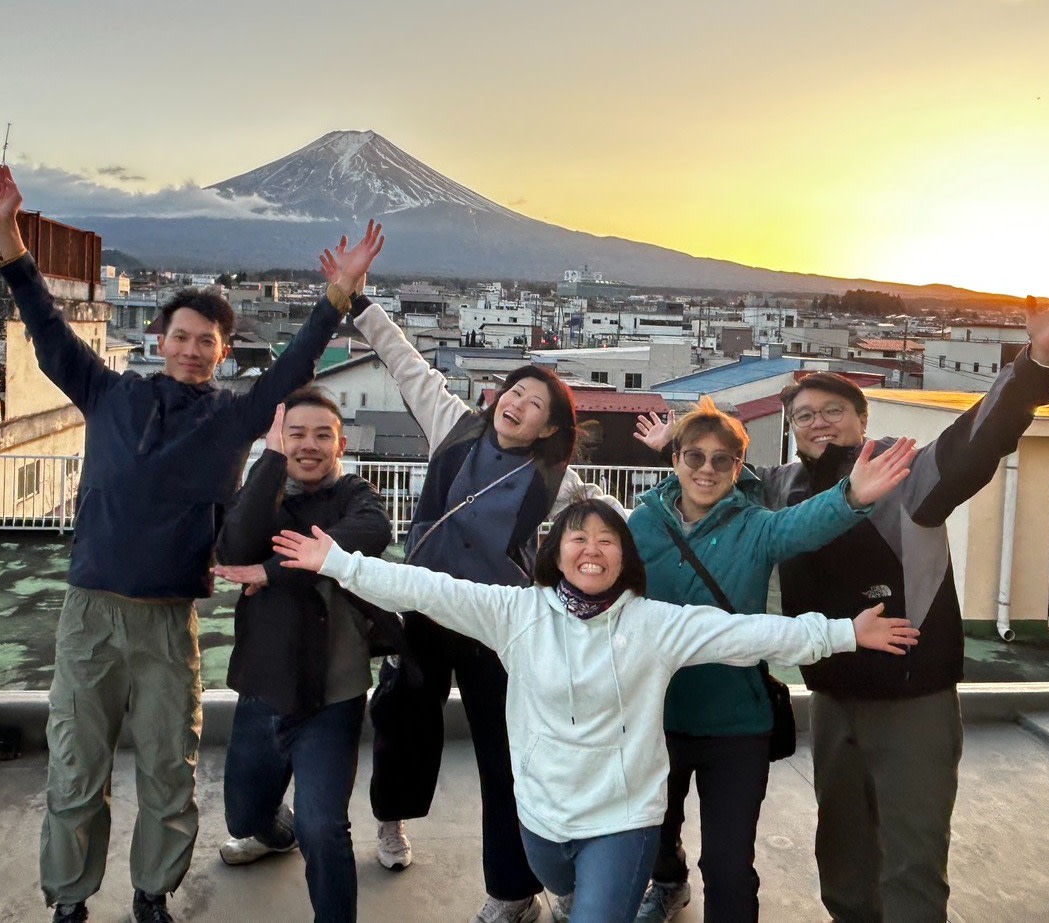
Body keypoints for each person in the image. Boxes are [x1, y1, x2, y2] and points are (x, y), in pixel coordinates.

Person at [0, 163, 386, 923]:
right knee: (76, 767)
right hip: (90, 613)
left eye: (209, 341)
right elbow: (42, 321)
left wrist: (339, 298)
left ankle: (150, 894)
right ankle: (69, 899)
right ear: (159, 340)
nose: (194, 349)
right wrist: (7, 230)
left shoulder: (232, 419)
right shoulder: (107, 392)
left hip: (171, 620)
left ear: (225, 354)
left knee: (170, 768)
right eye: (183, 337)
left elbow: (298, 364)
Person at [635, 275, 1049, 923]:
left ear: (861, 419)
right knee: (842, 848)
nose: (818, 422)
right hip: (833, 693)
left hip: (913, 696)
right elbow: (711, 483)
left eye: (833, 411)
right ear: (791, 429)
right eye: (804, 415)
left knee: (911, 853)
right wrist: (674, 454)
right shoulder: (780, 486)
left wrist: (1036, 360)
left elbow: (980, 437)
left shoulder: (903, 474)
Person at [267, 500, 921, 923]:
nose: (590, 547)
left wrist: (841, 631)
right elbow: (427, 588)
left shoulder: (654, 623)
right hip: (544, 815)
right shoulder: (515, 613)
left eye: (605, 538)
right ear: (556, 554)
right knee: (564, 889)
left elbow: (747, 633)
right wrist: (341, 563)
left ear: (622, 557)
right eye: (576, 536)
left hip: (622, 815)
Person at [321, 238, 579, 923]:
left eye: (533, 403)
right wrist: (361, 300)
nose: (516, 404)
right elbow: (406, 363)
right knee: (403, 716)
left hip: (498, 622)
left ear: (550, 427)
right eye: (514, 391)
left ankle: (512, 889)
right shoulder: (454, 427)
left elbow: (612, 525)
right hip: (425, 605)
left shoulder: (558, 481)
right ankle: (392, 817)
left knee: (504, 752)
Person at [625, 398, 915, 923]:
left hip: (735, 724)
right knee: (651, 837)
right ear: (675, 460)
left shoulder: (756, 526)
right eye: (694, 457)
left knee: (731, 864)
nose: (707, 470)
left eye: (722, 461)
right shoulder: (641, 524)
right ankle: (668, 883)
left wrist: (852, 496)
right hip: (653, 717)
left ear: (739, 469)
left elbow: (804, 524)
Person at [211, 392, 399, 923]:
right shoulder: (262, 491)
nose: (309, 445)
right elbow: (235, 547)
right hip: (263, 688)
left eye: (323, 435)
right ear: (278, 440)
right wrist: (268, 463)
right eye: (296, 434)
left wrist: (272, 571)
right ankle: (275, 834)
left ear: (341, 443)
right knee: (245, 816)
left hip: (332, 694)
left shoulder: (355, 495)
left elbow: (372, 532)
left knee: (325, 826)